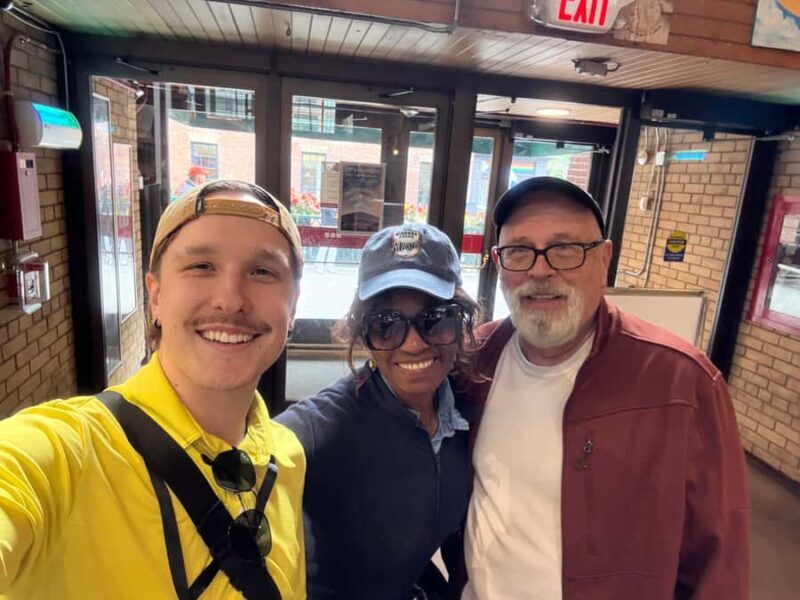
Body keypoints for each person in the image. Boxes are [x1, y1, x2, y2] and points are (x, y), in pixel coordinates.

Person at [0, 180, 308, 599]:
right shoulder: (69, 453)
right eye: (201, 266)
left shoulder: (286, 456)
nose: (230, 299)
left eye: (263, 271)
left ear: (294, 306)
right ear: (156, 296)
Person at [460, 177, 749, 599]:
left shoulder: (680, 382)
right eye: (519, 251)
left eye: (565, 249)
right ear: (498, 263)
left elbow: (719, 557)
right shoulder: (474, 361)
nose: (540, 269)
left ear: (605, 258)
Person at [275, 223, 480, 599]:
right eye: (386, 326)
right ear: (361, 332)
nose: (415, 344)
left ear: (460, 320)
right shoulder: (320, 430)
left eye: (436, 319)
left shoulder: (468, 417)